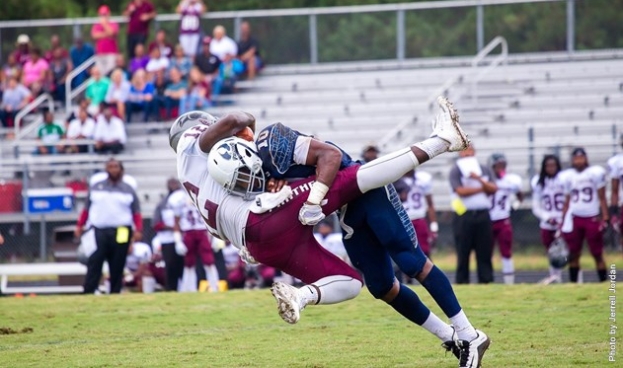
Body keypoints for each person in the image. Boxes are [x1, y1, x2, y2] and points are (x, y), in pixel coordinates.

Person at [169, 97, 489, 367]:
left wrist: (311, 198)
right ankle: (452, 339)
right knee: (378, 286)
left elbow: (332, 157)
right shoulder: (242, 164)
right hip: (338, 208)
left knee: (411, 262)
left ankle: (443, 140)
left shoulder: (270, 142)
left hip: (364, 190)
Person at [75, 158, 143, 294]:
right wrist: (80, 225)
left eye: (116, 166)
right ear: (106, 169)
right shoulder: (96, 187)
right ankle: (89, 289)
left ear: (121, 169)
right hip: (99, 229)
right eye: (110, 166)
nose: (113, 169)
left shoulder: (128, 189)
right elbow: (86, 209)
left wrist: (138, 229)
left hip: (122, 229)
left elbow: (136, 212)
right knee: (95, 259)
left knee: (118, 261)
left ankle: (115, 290)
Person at [449, 144, 497, 284]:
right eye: (464, 151)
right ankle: (462, 282)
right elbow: (460, 191)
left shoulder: (484, 169)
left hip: (483, 214)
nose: (467, 154)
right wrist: (483, 188)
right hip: (464, 215)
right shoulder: (456, 170)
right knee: (463, 252)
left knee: (484, 251)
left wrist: (478, 179)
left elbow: (494, 188)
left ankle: (486, 281)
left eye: (469, 150)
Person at [561, 147, 609, 283]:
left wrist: (605, 215)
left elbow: (602, 197)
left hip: (592, 217)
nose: (578, 161)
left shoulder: (594, 173)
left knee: (597, 253)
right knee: (573, 253)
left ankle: (604, 282)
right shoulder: (568, 176)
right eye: (576, 158)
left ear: (586, 158)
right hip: (575, 218)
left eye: (581, 157)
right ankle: (573, 283)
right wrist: (563, 219)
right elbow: (567, 200)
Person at [168, 189, 220, 292]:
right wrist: (178, 241)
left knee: (208, 260)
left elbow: (212, 218)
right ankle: (189, 288)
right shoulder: (179, 198)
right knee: (189, 262)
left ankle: (214, 286)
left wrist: (216, 237)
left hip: (203, 231)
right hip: (188, 232)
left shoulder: (204, 194)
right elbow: (176, 222)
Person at [487, 153, 523, 285]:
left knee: (506, 251)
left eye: (503, 165)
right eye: (497, 165)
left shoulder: (511, 180)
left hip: (503, 219)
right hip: (488, 221)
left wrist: (514, 206)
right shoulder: (487, 180)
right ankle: (488, 280)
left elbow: (520, 196)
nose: (500, 168)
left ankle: (509, 282)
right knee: (486, 252)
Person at [531, 154, 566, 284]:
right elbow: (536, 206)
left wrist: (563, 218)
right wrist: (547, 217)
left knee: (569, 252)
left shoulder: (563, 179)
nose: (551, 168)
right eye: (548, 166)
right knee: (551, 252)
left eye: (553, 165)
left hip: (563, 221)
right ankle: (555, 277)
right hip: (547, 223)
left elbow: (570, 201)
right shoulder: (539, 182)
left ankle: (575, 280)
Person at [152, 178, 185, 291]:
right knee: (170, 265)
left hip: (184, 238)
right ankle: (171, 288)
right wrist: (172, 227)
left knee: (185, 264)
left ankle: (187, 287)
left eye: (175, 183)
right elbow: (156, 224)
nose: (173, 186)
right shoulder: (163, 204)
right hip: (168, 239)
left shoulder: (186, 200)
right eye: (171, 184)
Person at [397, 169, 438, 258]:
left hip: (419, 219)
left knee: (425, 254)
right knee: (403, 255)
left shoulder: (423, 178)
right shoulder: (395, 179)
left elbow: (430, 204)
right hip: (401, 221)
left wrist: (434, 227)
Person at [91, 5, 120, 74]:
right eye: (101, 15)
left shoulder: (113, 23)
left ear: (108, 14)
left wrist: (104, 24)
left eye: (104, 14)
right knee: (101, 74)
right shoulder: (97, 25)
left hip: (111, 54)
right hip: (100, 54)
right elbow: (94, 35)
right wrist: (107, 34)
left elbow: (112, 33)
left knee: (110, 73)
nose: (103, 16)